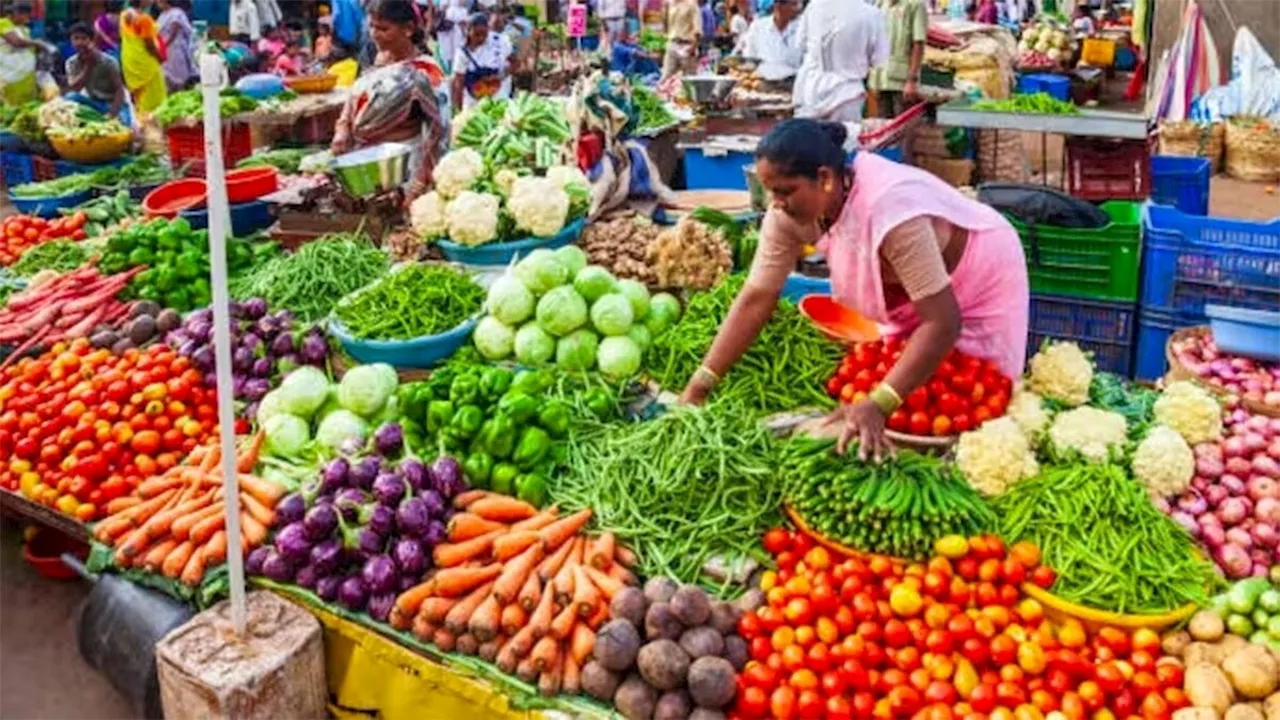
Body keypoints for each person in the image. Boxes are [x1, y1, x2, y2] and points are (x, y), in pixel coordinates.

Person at [679, 120, 1028, 460]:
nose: (776, 203)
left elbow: (942, 322)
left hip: (979, 272)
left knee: (977, 396)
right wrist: (701, 383)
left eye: (785, 191)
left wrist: (879, 403)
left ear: (826, 179)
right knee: (915, 386)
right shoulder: (786, 215)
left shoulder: (889, 209)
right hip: (913, 293)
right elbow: (757, 298)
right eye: (770, 191)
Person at [331, 0, 446, 200]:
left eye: (383, 28)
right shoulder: (375, 60)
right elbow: (354, 97)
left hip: (404, 167)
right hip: (364, 164)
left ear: (408, 29)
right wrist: (342, 130)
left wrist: (421, 180)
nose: (375, 34)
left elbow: (440, 130)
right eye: (372, 27)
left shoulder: (425, 72)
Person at [792, 0, 887, 122]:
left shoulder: (813, 6)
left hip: (810, 92)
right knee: (844, 138)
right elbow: (879, 59)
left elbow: (800, 44)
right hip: (847, 96)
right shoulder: (872, 14)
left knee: (807, 139)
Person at [64, 22, 129, 123]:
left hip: (112, 104)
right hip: (93, 102)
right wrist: (88, 67)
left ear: (91, 41)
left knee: (124, 124)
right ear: (71, 41)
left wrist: (112, 114)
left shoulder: (108, 61)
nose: (80, 42)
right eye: (76, 38)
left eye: (84, 38)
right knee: (70, 97)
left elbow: (119, 91)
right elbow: (75, 87)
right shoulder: (71, 62)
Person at [870, 0, 926, 120]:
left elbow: (918, 43)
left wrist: (911, 80)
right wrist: (873, 79)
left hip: (902, 80)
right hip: (881, 77)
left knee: (902, 126)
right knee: (884, 124)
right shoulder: (880, 4)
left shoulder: (914, 5)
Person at [451, 12, 513, 112]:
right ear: (468, 31)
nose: (481, 38)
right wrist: (458, 110)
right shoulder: (462, 52)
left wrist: (500, 76)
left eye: (484, 34)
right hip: (473, 102)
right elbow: (459, 82)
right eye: (476, 34)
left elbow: (515, 62)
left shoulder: (499, 41)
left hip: (498, 100)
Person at [120, 0, 168, 113]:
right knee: (154, 99)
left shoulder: (124, 14)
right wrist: (160, 57)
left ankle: (141, 121)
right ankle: (152, 123)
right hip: (146, 64)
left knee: (138, 97)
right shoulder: (143, 19)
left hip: (131, 61)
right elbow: (149, 45)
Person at [737, 0, 801, 76]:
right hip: (762, 82)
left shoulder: (803, 28)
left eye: (783, 2)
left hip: (793, 82)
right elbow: (750, 58)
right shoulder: (758, 27)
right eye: (777, 2)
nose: (778, 5)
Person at [0, 2, 41, 105]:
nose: (27, 19)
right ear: (17, 13)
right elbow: (16, 42)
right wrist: (39, 43)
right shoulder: (3, 23)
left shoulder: (23, 29)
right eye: (26, 16)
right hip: (8, 74)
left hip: (25, 76)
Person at [157, 0, 197, 91]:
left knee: (179, 80)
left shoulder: (176, 13)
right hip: (164, 52)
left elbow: (172, 33)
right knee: (166, 81)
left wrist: (162, 46)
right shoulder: (162, 15)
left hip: (175, 50)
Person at [662, 0, 700, 77]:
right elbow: (666, 26)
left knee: (689, 79)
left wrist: (693, 47)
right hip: (673, 43)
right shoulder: (670, 4)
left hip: (687, 45)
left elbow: (697, 28)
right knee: (666, 77)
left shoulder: (691, 4)